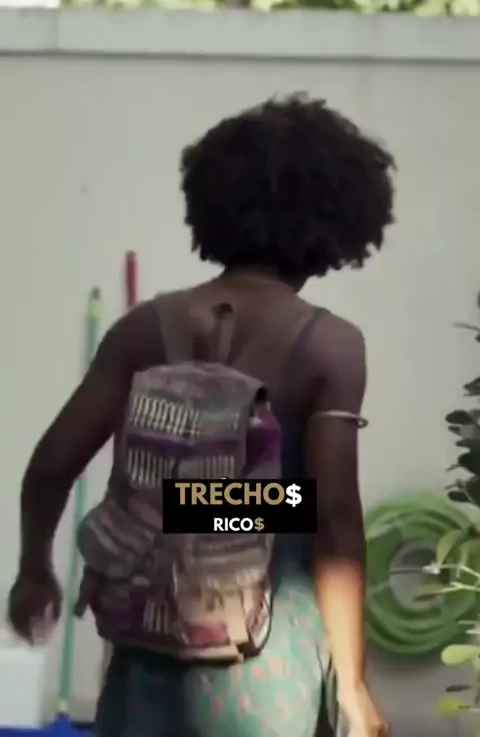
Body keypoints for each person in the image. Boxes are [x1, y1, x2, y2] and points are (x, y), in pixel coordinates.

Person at [7, 94, 395, 737]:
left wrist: (34, 570)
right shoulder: (330, 346)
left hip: (150, 640)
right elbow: (333, 519)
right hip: (268, 656)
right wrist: (352, 684)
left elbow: (50, 466)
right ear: (342, 220)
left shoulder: (141, 331)